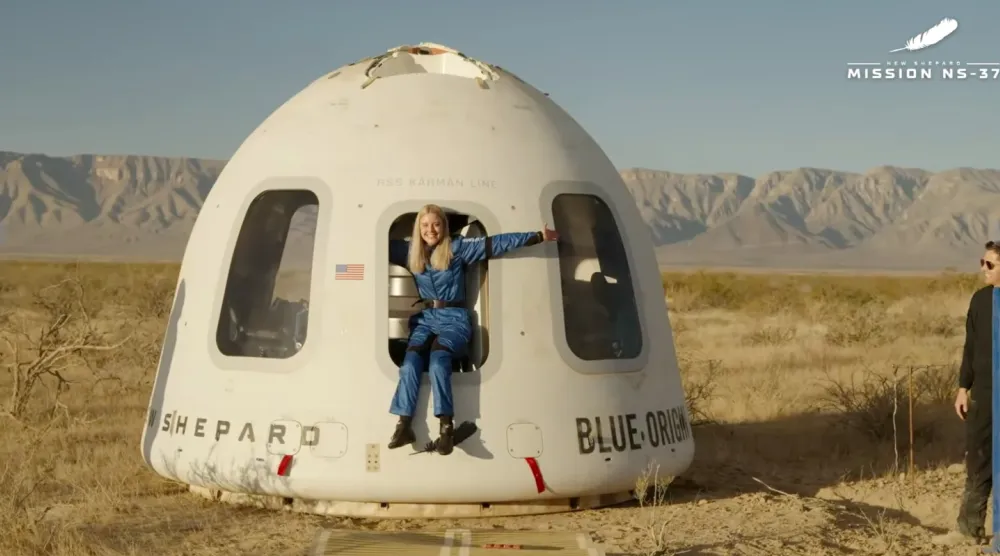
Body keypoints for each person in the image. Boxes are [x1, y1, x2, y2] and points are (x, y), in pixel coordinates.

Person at [386, 204, 559, 455]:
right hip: (426, 319)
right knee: (410, 362)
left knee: (438, 360)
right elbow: (370, 240)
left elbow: (495, 244)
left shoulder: (457, 249)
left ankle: (446, 426)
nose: (430, 230)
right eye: (425, 225)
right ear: (418, 229)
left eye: (436, 224)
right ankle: (404, 424)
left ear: (444, 226)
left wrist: (537, 236)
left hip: (454, 318)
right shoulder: (410, 251)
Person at [934, 241, 1000, 546]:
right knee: (978, 456)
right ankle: (968, 528)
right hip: (984, 394)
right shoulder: (981, 300)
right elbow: (970, 347)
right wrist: (963, 388)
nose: (983, 269)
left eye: (990, 264)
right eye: (982, 262)